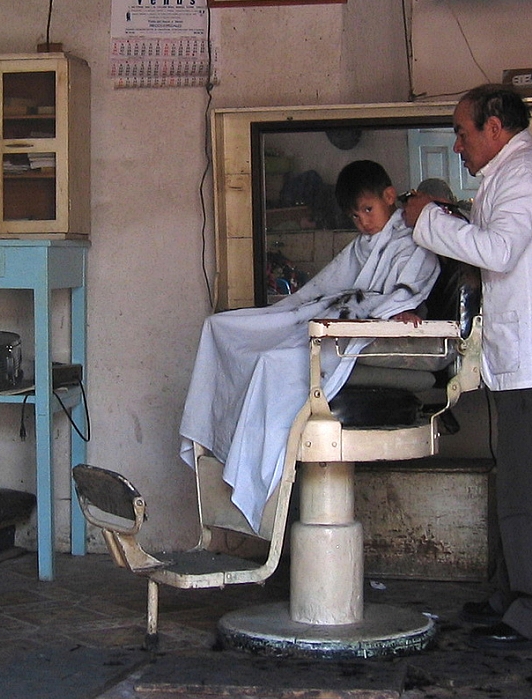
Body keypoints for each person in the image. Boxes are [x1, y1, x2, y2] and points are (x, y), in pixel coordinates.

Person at [403, 86, 532, 652]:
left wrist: (427, 220)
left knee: (531, 492)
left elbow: (499, 251)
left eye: (462, 132)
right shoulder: (507, 174)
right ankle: (512, 599)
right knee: (516, 486)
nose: (456, 145)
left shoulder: (527, 171)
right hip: (521, 362)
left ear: (496, 126)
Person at [180, 160, 439, 530]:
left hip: (364, 335)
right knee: (222, 327)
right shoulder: (364, 246)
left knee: (272, 363)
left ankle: (251, 477)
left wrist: (402, 310)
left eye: (368, 209)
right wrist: (296, 311)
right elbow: (322, 289)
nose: (363, 222)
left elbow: (407, 290)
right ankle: (222, 447)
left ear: (389, 197)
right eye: (355, 216)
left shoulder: (414, 242)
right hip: (340, 322)